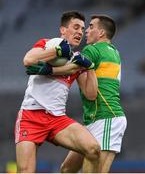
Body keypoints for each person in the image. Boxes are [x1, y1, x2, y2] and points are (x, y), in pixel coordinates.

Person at [15, 10, 100, 173]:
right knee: (25, 171)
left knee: (93, 149)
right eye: (76, 27)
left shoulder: (78, 59)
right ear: (63, 30)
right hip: (30, 116)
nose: (80, 32)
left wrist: (91, 68)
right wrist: (57, 51)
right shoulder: (46, 44)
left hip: (57, 119)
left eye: (82, 29)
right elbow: (28, 60)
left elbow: (91, 95)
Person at [59, 15, 127, 173]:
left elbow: (73, 69)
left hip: (107, 118)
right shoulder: (114, 51)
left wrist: (47, 68)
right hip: (94, 119)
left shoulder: (92, 49)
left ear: (101, 32)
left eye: (90, 27)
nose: (86, 31)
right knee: (67, 168)